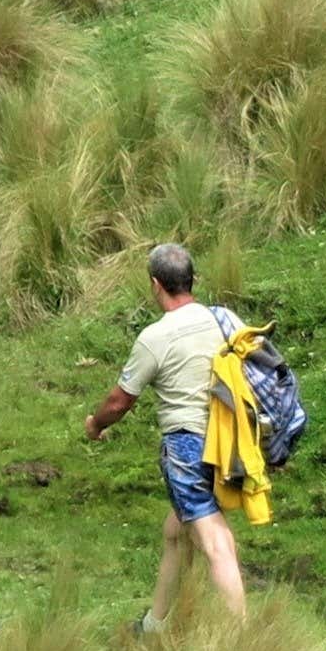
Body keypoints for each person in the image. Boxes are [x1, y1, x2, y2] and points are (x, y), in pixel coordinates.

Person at [81, 243, 248, 630]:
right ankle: (155, 626)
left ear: (156, 284)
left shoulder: (156, 337)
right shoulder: (226, 321)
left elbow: (120, 402)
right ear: (193, 280)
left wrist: (95, 425)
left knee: (216, 544)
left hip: (188, 447)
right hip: (230, 443)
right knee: (176, 530)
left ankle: (243, 642)